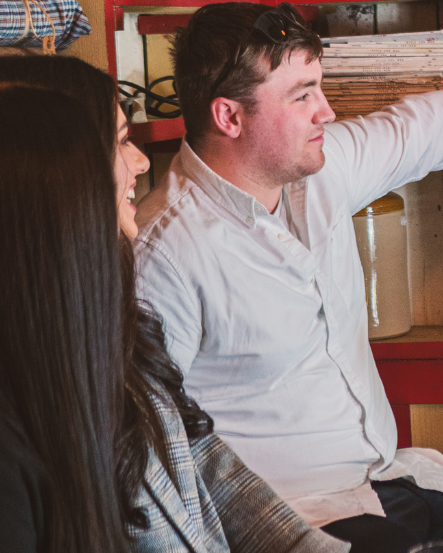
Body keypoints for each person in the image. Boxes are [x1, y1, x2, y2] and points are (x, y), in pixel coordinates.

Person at [134, 2, 443, 551]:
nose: (326, 112)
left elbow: (426, 127)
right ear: (229, 117)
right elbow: (150, 451)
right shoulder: (162, 254)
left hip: (391, 482)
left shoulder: (320, 169)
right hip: (296, 523)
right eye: (302, 94)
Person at [0, 56, 347, 553]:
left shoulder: (120, 332)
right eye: (121, 141)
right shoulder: (15, 442)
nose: (143, 161)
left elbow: (202, 459)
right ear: (62, 173)